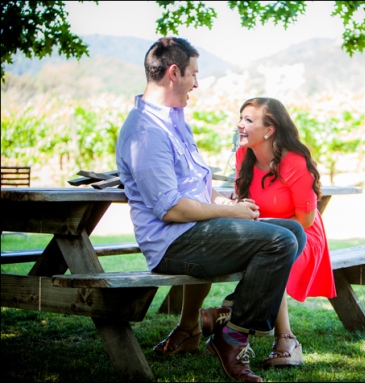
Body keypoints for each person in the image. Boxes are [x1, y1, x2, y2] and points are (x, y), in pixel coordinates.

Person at [115, 37, 306, 382]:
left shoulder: (175, 124)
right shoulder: (145, 131)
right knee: (278, 242)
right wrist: (230, 214)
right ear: (174, 73)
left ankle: (228, 314)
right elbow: (170, 208)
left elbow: (195, 189)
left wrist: (226, 203)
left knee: (294, 231)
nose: (196, 83)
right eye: (193, 74)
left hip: (196, 232)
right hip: (173, 244)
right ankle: (231, 336)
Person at [201, 97, 336, 368]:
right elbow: (244, 199)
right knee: (266, 246)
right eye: (240, 117)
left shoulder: (294, 162)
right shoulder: (244, 155)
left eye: (248, 120)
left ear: (269, 129)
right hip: (261, 230)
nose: (239, 124)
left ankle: (259, 325)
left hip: (303, 234)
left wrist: (266, 229)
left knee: (279, 248)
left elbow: (305, 221)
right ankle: (237, 319)